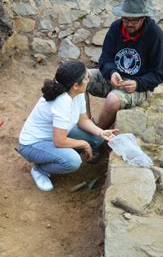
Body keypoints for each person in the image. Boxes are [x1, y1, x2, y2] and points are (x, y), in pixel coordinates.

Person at [18, 61, 118, 192]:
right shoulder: (62, 102)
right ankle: (40, 169)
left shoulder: (78, 93)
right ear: (76, 85)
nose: (89, 80)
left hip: (57, 136)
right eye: (86, 77)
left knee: (97, 138)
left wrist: (101, 132)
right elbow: (59, 141)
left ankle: (55, 156)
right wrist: (83, 144)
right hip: (32, 145)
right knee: (73, 161)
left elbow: (83, 121)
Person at [87, 0, 163, 129]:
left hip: (138, 87)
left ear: (143, 18)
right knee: (78, 77)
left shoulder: (155, 35)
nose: (129, 24)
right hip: (114, 79)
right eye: (125, 19)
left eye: (134, 20)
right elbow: (105, 59)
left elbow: (158, 74)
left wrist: (138, 83)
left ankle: (98, 136)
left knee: (112, 100)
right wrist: (111, 72)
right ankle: (86, 124)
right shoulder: (115, 28)